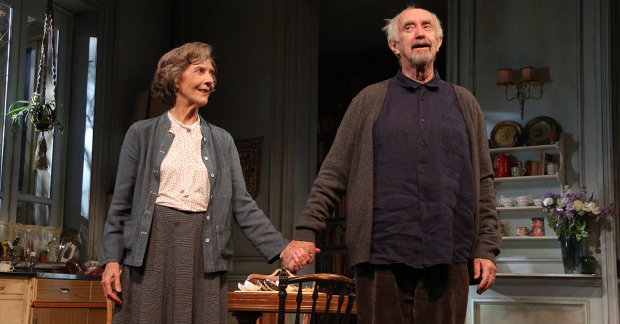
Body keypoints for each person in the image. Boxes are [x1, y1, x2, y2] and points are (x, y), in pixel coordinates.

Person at [281, 6, 501, 324]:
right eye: (409, 28)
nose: (420, 32)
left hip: (448, 254)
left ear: (438, 41)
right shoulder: (368, 101)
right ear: (395, 45)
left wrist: (486, 246)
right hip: (380, 256)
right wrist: (306, 232)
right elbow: (333, 171)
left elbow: (482, 180)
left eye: (427, 27)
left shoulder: (464, 103)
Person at [100, 42, 310, 324]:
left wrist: (282, 248)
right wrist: (112, 260)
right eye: (200, 71)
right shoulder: (141, 134)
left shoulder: (221, 141)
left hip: (203, 250)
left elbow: (243, 204)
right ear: (176, 78)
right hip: (151, 253)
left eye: (212, 73)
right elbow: (121, 205)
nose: (210, 80)